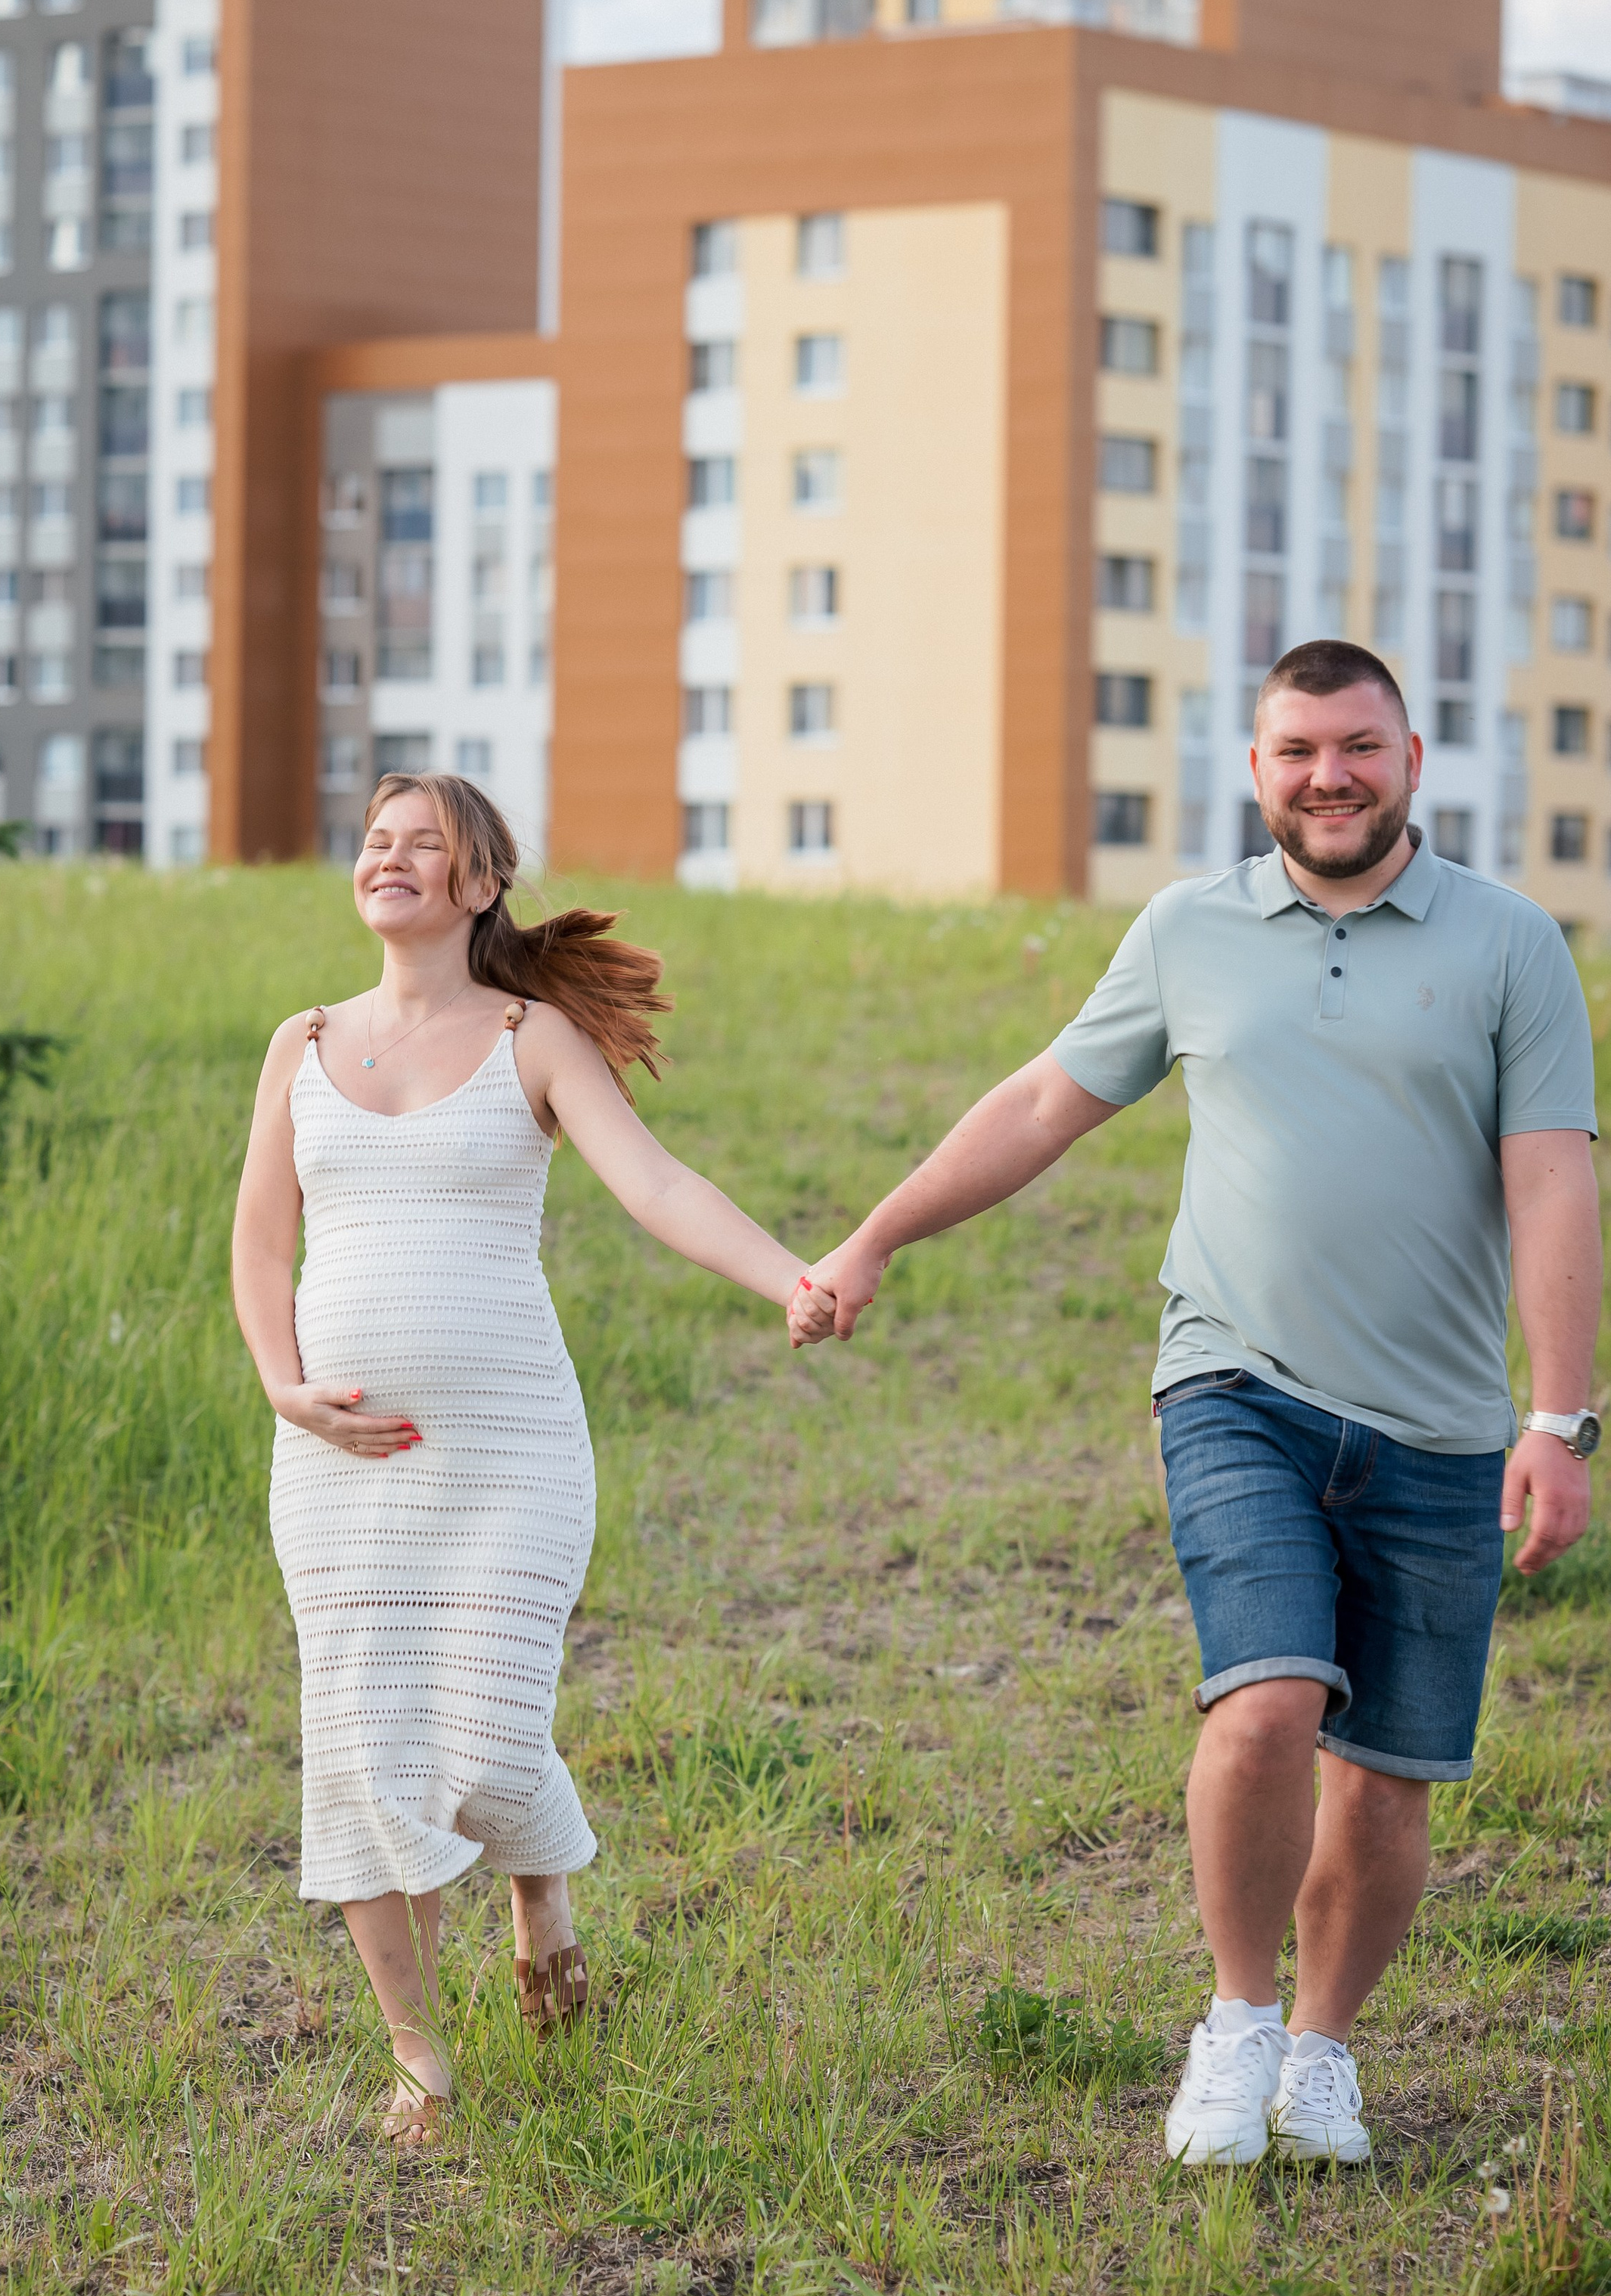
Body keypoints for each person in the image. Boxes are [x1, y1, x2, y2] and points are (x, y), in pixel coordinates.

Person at [790, 640, 1600, 2165]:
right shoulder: (1188, 931)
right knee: (1268, 1702)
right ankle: (1232, 2023)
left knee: (1385, 1787)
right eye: (1294, 749)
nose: (1327, 776)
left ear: (1410, 759)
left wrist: (1554, 1421)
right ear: (1254, 769)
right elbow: (1043, 1099)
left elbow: (1550, 1179)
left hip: (1435, 1423)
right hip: (1235, 1382)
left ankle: (1319, 2049)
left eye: (1355, 746)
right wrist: (875, 1233)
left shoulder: (1507, 945)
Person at [232, 771, 824, 2143]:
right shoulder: (300, 1044)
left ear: (480, 884)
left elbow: (659, 1185)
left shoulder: (530, 1037)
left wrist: (787, 1277)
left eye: (421, 845)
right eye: (375, 841)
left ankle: (539, 1880)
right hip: (340, 1466)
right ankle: (420, 2060)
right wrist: (284, 1389)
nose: (389, 860)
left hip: (510, 1456)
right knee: (364, 1754)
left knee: (489, 1735)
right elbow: (264, 1249)